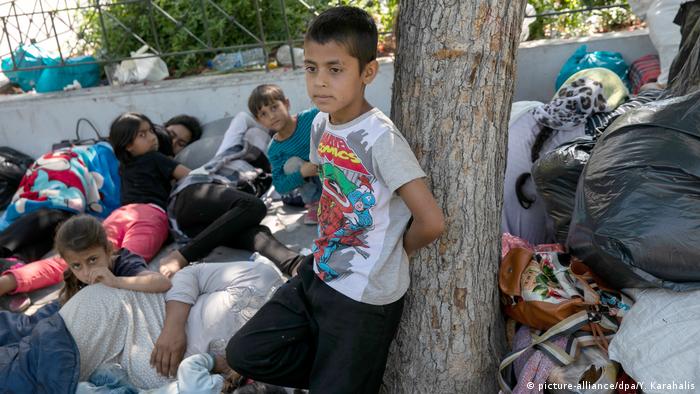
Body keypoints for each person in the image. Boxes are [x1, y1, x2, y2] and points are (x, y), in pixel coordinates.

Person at [226, 7, 445, 393]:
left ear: (367, 73)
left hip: (364, 298)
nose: (320, 82)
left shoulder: (381, 139)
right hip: (319, 273)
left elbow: (431, 222)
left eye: (335, 69)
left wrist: (397, 253)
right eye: (311, 69)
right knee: (245, 352)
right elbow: (328, 185)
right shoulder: (321, 124)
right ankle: (337, 374)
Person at [0, 112, 188, 308]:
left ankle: (8, 282)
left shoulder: (124, 166)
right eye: (144, 134)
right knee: (124, 264)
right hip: (148, 214)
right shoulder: (157, 159)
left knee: (74, 259)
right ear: (128, 144)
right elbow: (193, 177)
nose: (152, 137)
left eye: (151, 132)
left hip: (120, 214)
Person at [55, 214, 171, 303]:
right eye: (76, 265)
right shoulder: (74, 280)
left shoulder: (123, 263)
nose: (86, 272)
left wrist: (116, 281)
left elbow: (163, 283)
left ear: (108, 250)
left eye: (92, 260)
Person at [249, 84, 321, 224]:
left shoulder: (312, 117)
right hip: (314, 185)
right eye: (263, 114)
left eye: (274, 107)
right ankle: (316, 206)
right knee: (291, 164)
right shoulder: (275, 149)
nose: (271, 116)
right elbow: (280, 186)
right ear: (259, 121)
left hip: (333, 171)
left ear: (286, 103)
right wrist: (302, 173)